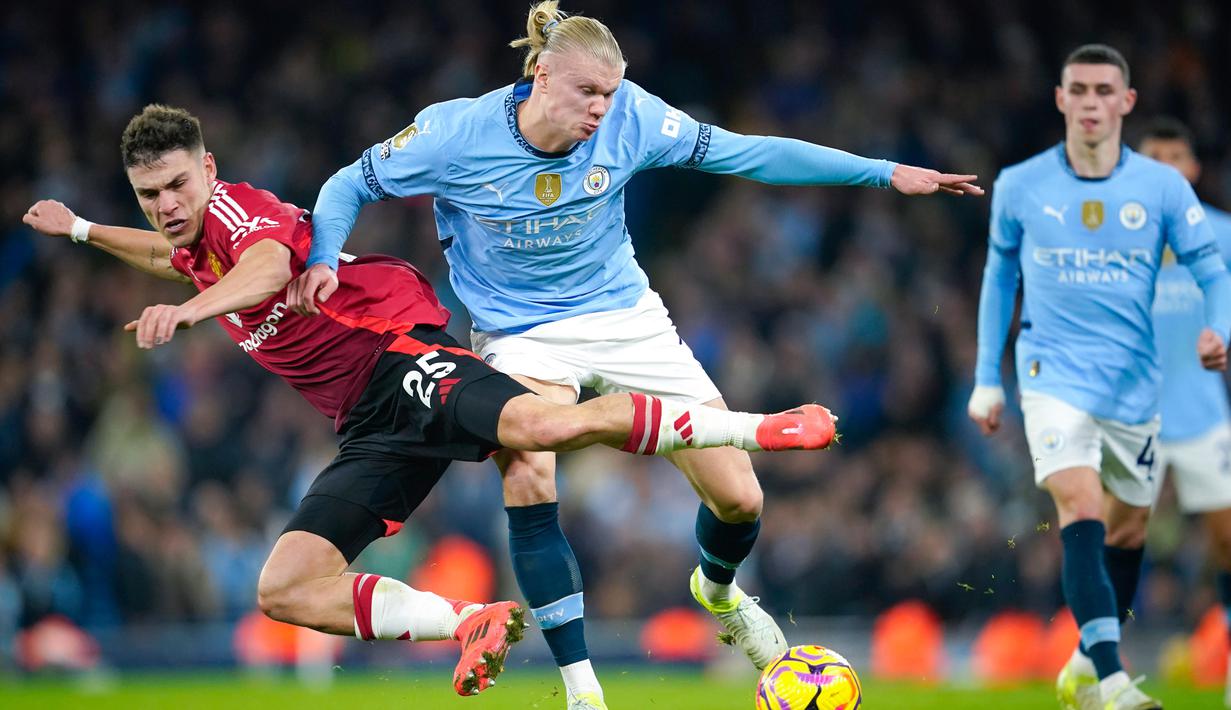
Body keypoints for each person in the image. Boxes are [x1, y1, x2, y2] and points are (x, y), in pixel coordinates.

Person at [287, 3, 982, 707]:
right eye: (587, 92)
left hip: (625, 318)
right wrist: (319, 258)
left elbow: (748, 152)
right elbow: (349, 184)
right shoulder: (454, 132)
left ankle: (717, 593)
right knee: (528, 471)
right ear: (539, 73)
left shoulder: (634, 120)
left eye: (610, 93)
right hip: (517, 333)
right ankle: (581, 688)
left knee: (740, 499)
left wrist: (881, 172)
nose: (601, 109)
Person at [21, 105, 839, 697]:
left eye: (173, 186)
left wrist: (190, 315)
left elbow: (268, 268)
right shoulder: (190, 241)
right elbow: (174, 261)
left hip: (398, 353)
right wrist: (87, 232)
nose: (164, 207)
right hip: (367, 421)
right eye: (147, 196)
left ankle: (758, 427)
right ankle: (469, 621)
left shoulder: (236, 212)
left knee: (543, 431)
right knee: (286, 586)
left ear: (205, 169)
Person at [968, 45, 1231, 710]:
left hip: (1137, 389)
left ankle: (1085, 660)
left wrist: (1218, 330)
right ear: (1059, 99)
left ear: (1125, 101)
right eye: (1077, 90)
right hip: (1049, 372)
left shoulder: (1163, 191)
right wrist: (985, 376)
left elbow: (1212, 270)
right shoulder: (1020, 184)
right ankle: (1111, 679)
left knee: (1127, 530)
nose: (1089, 102)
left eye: (1101, 90)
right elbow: (999, 277)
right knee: (1079, 506)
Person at [1138, 117, 1231, 708]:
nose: (1169, 167)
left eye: (1179, 156)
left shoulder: (1223, 235)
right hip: (1133, 419)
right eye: (1156, 158)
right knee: (1110, 542)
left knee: (1228, 545)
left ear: (1193, 169)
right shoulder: (1113, 242)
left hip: (1202, 419)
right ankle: (1094, 667)